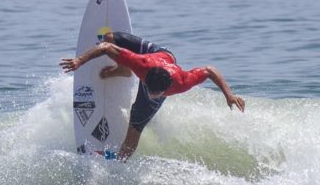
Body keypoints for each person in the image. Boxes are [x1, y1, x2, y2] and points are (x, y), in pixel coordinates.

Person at [60, 31, 245, 160]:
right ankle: (124, 70)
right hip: (155, 56)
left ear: (165, 90)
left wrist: (228, 95)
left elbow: (210, 70)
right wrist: (79, 61)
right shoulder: (141, 63)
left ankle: (120, 160)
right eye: (149, 90)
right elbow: (106, 46)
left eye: (157, 94)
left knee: (136, 124)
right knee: (111, 36)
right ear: (145, 80)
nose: (152, 95)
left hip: (165, 62)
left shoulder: (182, 82)